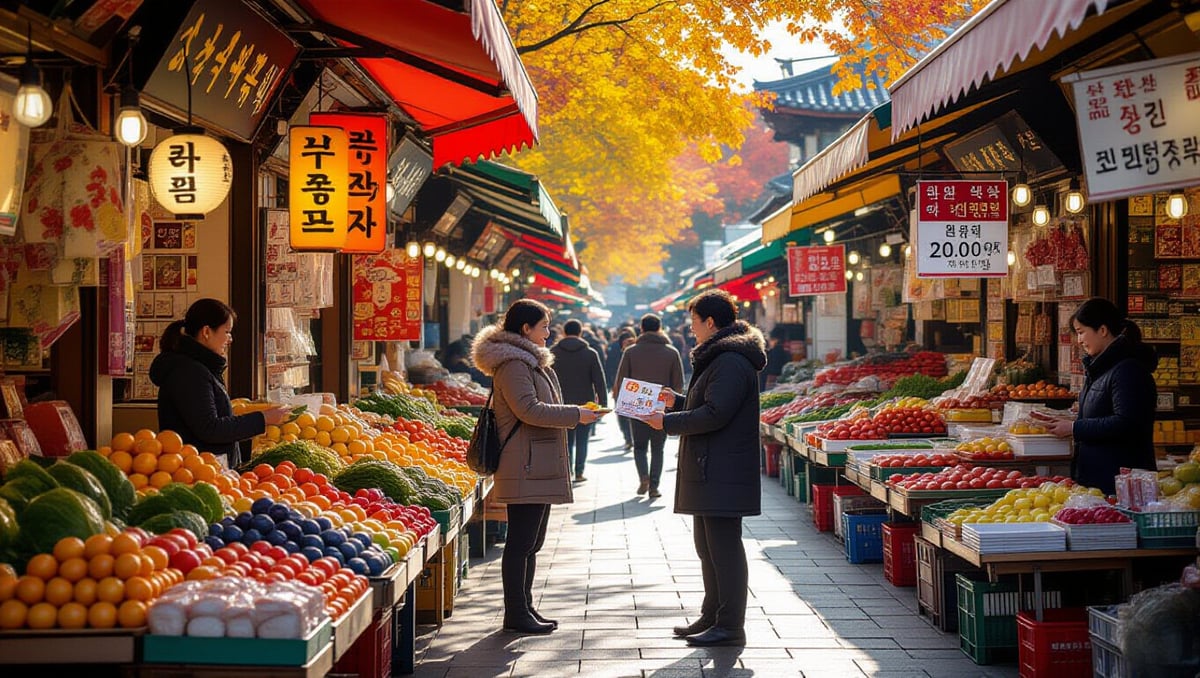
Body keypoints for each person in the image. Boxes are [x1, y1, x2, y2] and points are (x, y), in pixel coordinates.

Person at [643, 290, 765, 648]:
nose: (691, 329)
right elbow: (711, 403)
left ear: (710, 322)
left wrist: (667, 422)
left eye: (694, 322)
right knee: (707, 547)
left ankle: (730, 625)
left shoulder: (729, 360)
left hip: (722, 468)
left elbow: (716, 413)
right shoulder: (719, 357)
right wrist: (677, 402)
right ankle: (712, 614)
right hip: (710, 465)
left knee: (724, 549)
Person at [471, 299, 600, 635]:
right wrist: (575, 414)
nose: (548, 333)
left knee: (532, 542)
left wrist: (575, 412)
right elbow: (529, 410)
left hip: (536, 461)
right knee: (521, 542)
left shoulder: (532, 362)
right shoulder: (514, 364)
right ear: (526, 328)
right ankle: (516, 613)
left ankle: (525, 607)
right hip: (524, 462)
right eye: (544, 326)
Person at [149, 298, 290, 466]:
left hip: (206, 468)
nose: (230, 339)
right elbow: (210, 428)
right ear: (206, 332)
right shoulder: (189, 372)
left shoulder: (201, 367)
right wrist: (263, 419)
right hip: (197, 470)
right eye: (227, 332)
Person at [1040, 297, 1157, 495]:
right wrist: (1070, 421)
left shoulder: (1128, 370)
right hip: (1098, 479)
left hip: (1118, 483)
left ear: (1102, 330)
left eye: (1081, 332)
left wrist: (1074, 428)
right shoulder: (1099, 369)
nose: (1079, 341)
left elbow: (1127, 423)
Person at [612, 313, 684, 498]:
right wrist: (671, 406)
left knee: (640, 447)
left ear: (641, 329)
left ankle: (643, 477)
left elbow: (621, 380)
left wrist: (620, 403)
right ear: (660, 328)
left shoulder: (631, 351)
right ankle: (654, 486)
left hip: (636, 407)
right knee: (658, 449)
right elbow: (678, 384)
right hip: (661, 409)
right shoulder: (671, 352)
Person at [550, 319, 609, 482]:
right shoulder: (590, 353)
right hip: (586, 404)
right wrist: (603, 405)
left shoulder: (553, 352)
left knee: (566, 439)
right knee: (582, 440)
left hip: (560, 404)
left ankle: (567, 471)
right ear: (580, 332)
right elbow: (599, 381)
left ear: (563, 332)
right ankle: (579, 472)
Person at [605, 328, 637, 450]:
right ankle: (633, 437)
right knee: (635, 413)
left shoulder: (613, 347)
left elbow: (609, 365)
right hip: (636, 385)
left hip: (619, 384)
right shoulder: (637, 348)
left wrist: (610, 383)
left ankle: (628, 438)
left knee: (622, 413)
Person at [761, 325, 791, 391]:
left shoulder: (774, 351)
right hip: (775, 380)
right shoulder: (783, 350)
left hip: (771, 380)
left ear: (776, 339)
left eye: (772, 339)